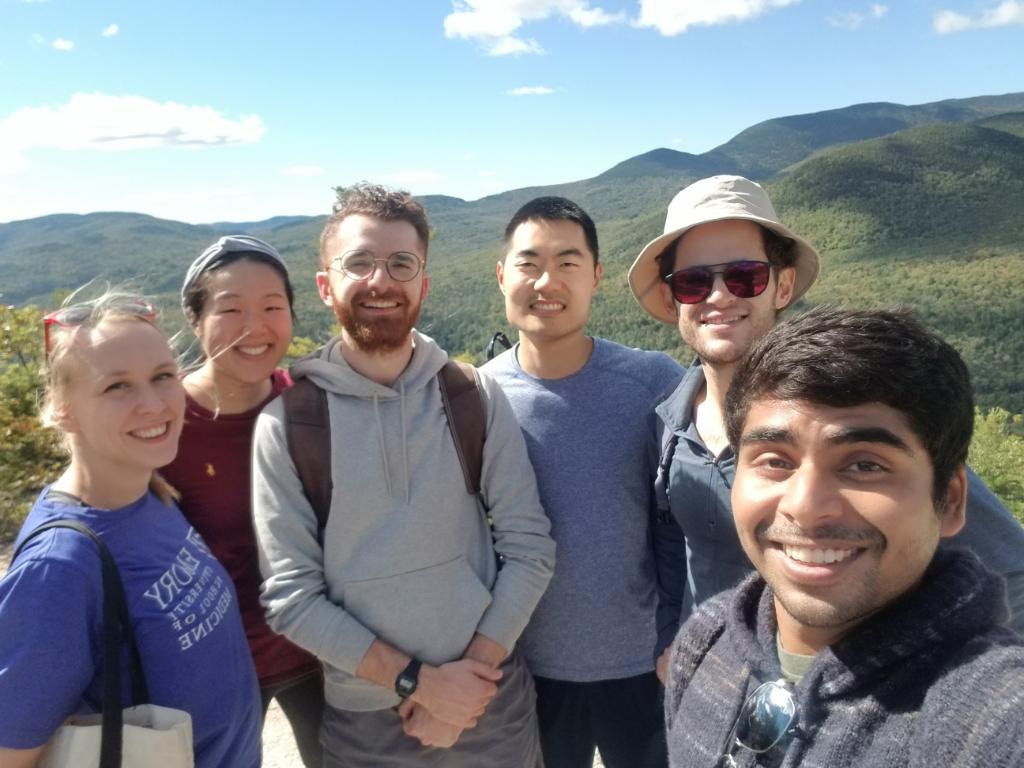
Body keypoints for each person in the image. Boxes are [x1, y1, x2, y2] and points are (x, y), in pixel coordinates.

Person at [626, 175, 1024, 676]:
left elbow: (1010, 568)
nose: (720, 296)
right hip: (713, 684)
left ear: (783, 285)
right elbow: (674, 549)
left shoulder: (854, 413)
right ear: (673, 301)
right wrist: (674, 637)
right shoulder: (669, 424)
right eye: (694, 282)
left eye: (745, 276)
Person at [251, 183, 556, 767]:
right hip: (367, 722)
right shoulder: (289, 425)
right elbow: (292, 598)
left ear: (423, 284)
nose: (381, 281)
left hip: (488, 699)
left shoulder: (471, 395)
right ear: (325, 285)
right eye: (358, 262)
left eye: (401, 263)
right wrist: (421, 684)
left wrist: (466, 685)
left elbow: (530, 548)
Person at [663, 306, 1024, 767]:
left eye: (865, 465)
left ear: (950, 501)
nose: (805, 506)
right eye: (774, 460)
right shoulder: (705, 645)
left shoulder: (991, 715)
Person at [0, 290, 261, 768]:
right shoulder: (59, 568)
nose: (153, 404)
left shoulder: (150, 493)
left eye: (163, 376)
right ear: (62, 408)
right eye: (117, 386)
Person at [481, 196, 683, 768]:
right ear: (502, 276)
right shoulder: (476, 397)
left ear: (596, 276)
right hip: (526, 668)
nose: (547, 282)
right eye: (528, 263)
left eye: (567, 263)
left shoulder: (654, 383)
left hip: (646, 663)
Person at [161, 235, 324, 766]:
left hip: (322, 649)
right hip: (213, 667)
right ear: (194, 319)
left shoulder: (312, 406)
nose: (255, 328)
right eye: (230, 310)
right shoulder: (161, 422)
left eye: (273, 307)